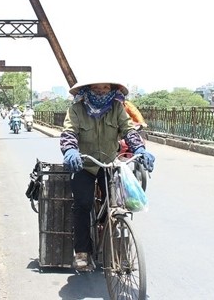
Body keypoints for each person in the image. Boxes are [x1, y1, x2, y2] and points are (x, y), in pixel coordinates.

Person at [59, 81, 155, 270]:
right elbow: (69, 132)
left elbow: (128, 130)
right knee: (83, 205)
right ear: (87, 91)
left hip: (109, 163)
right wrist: (70, 150)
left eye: (105, 89)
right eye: (96, 89)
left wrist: (140, 149)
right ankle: (82, 252)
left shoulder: (117, 108)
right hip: (84, 164)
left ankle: (114, 245)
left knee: (116, 204)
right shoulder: (76, 109)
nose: (101, 93)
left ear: (111, 91)